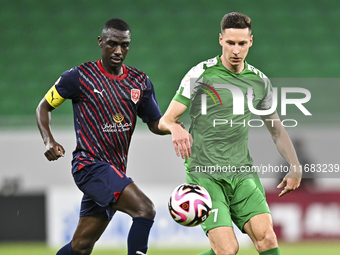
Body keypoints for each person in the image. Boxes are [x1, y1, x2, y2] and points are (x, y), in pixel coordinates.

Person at [158, 12, 302, 255]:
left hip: (241, 171)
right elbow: (166, 119)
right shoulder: (200, 74)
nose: (236, 50)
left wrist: (295, 164)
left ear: (251, 42)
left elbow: (276, 129)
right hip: (205, 174)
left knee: (267, 238)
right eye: (231, 43)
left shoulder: (259, 82)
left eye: (242, 43)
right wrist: (174, 128)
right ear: (221, 40)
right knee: (227, 250)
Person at [36, 18, 169, 255]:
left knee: (81, 247)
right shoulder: (79, 77)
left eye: (124, 45)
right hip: (89, 166)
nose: (118, 51)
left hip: (114, 171)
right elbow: (43, 107)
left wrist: (177, 128)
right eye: (112, 44)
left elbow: (155, 123)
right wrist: (49, 140)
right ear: (100, 42)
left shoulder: (140, 82)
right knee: (145, 210)